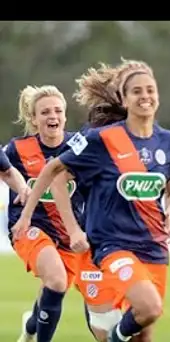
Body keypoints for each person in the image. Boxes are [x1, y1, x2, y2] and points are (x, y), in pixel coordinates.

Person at [13, 58, 170, 342]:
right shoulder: (94, 137)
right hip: (103, 246)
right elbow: (55, 175)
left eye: (149, 89)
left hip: (151, 246)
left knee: (143, 332)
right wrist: (66, 226)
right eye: (135, 89)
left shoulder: (166, 142)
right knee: (116, 325)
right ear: (122, 95)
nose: (144, 95)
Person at [5, 85, 89, 342]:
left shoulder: (81, 146)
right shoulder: (16, 149)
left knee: (55, 288)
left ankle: (30, 328)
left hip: (69, 236)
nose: (52, 116)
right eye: (45, 112)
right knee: (55, 278)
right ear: (33, 119)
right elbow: (6, 171)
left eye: (57, 111)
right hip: (29, 227)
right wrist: (20, 190)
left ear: (65, 115)